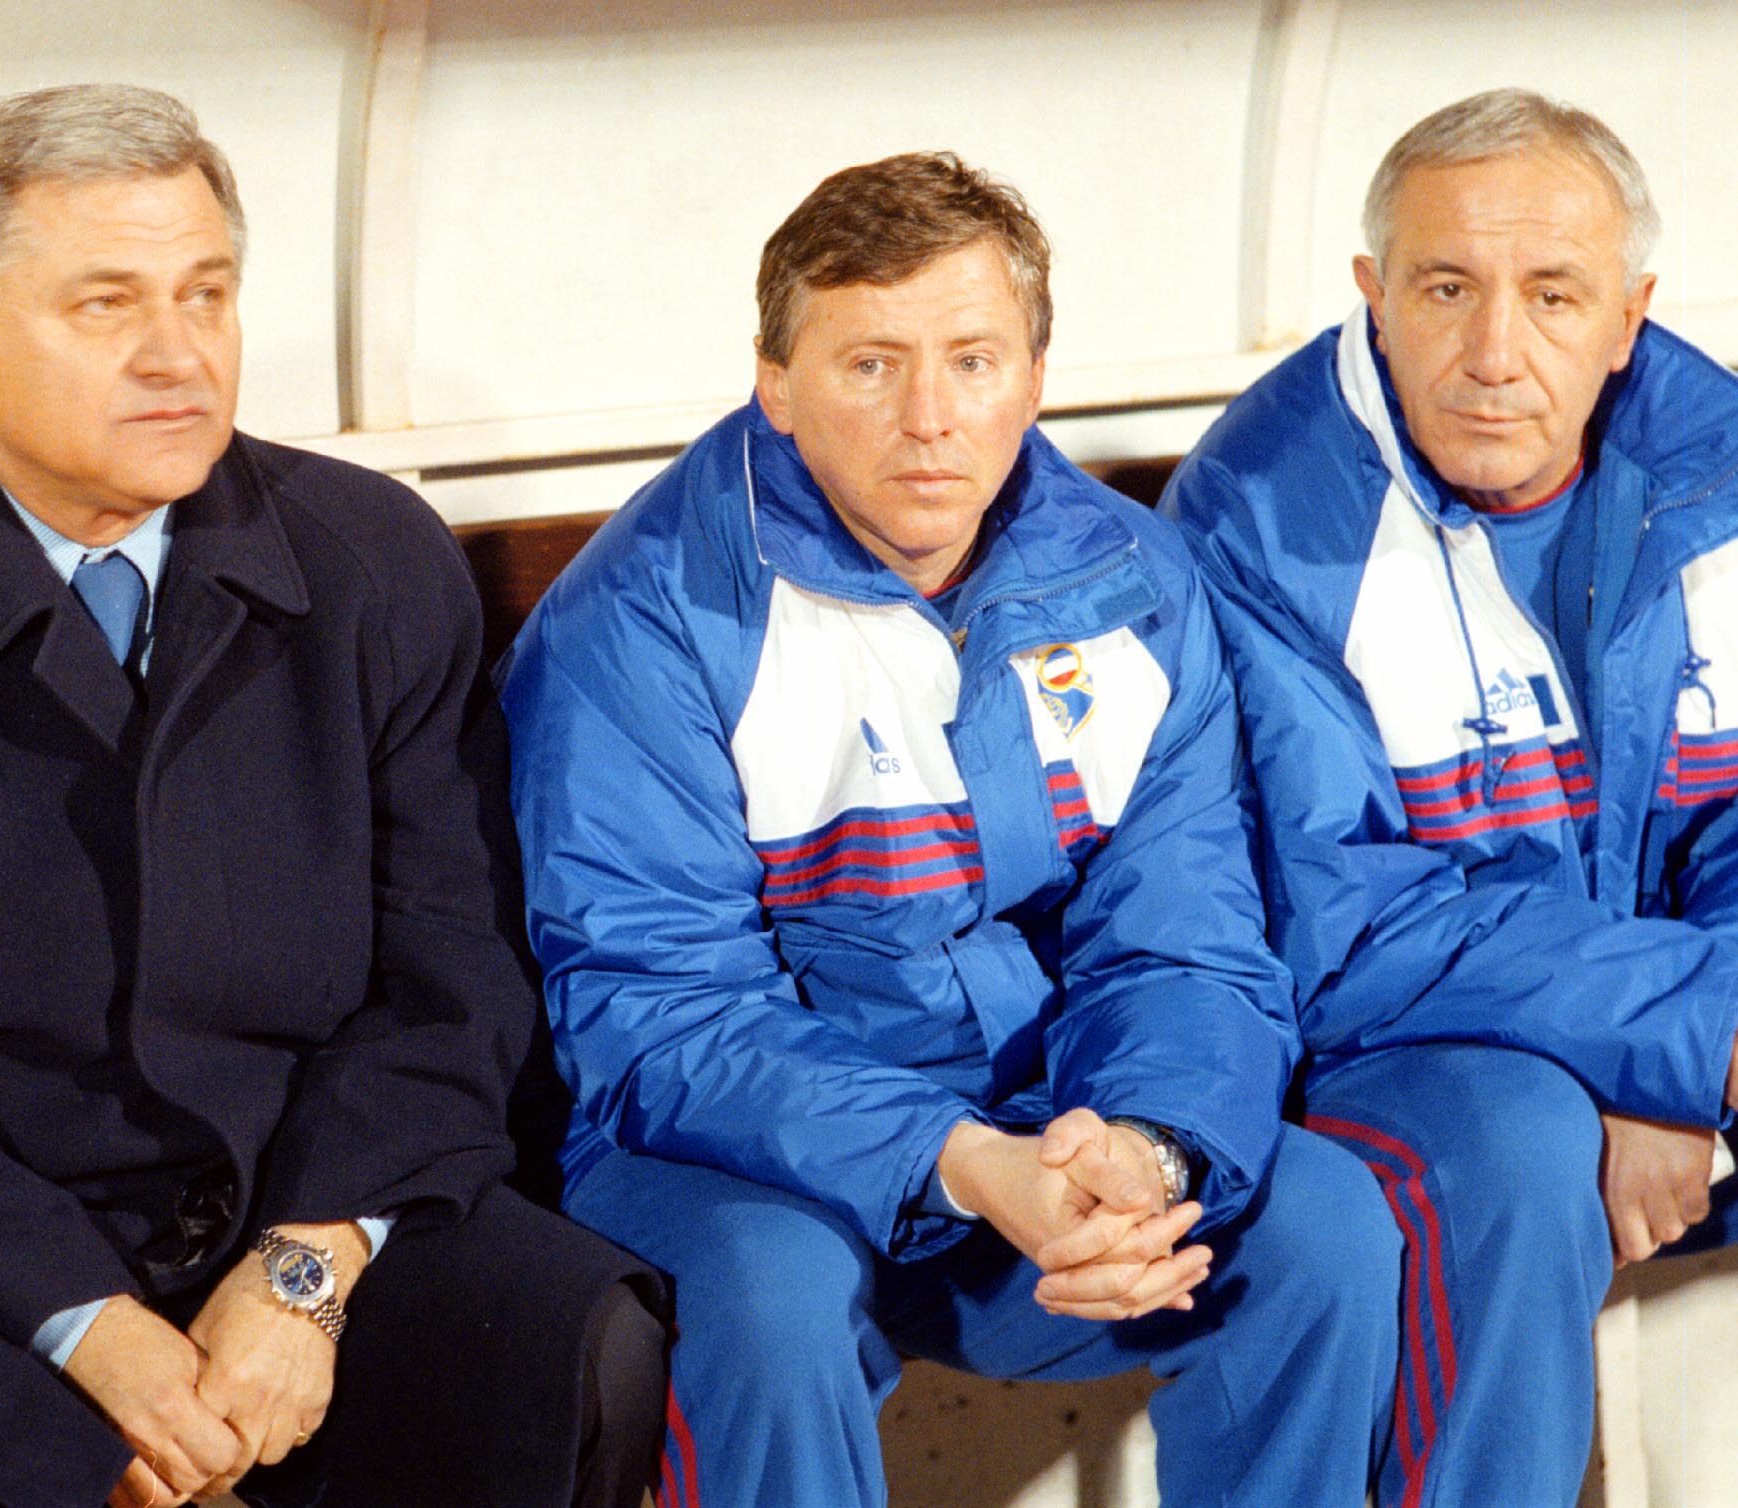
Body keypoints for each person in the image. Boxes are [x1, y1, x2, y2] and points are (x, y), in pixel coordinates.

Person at [0, 83, 666, 1508]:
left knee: (581, 1349)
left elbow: (453, 969)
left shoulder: (371, 560)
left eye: (207, 294)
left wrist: (306, 1269)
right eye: (107, 305)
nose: (178, 354)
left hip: (296, 1194)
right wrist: (93, 1330)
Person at [497, 150, 1400, 1508]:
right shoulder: (641, 620)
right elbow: (659, 1019)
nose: (929, 419)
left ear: (1034, 376)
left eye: (973, 362)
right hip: (735, 1160)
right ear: (777, 382)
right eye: (871, 365)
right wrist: (960, 1163)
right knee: (771, 1297)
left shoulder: (1134, 579)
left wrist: (1144, 1148)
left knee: (1321, 1226)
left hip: (1040, 1134)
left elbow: (1187, 940)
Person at [1165, 88, 1738, 1508]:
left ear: (1629, 316)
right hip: (1377, 1040)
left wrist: (1681, 1059)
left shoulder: (1716, 469)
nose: (1494, 352)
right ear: (1373, 297)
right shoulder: (1261, 513)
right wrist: (1676, 1041)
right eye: (1444, 289)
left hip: (1650, 1010)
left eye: (1553, 296)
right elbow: (1339, 922)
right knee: (1520, 1148)